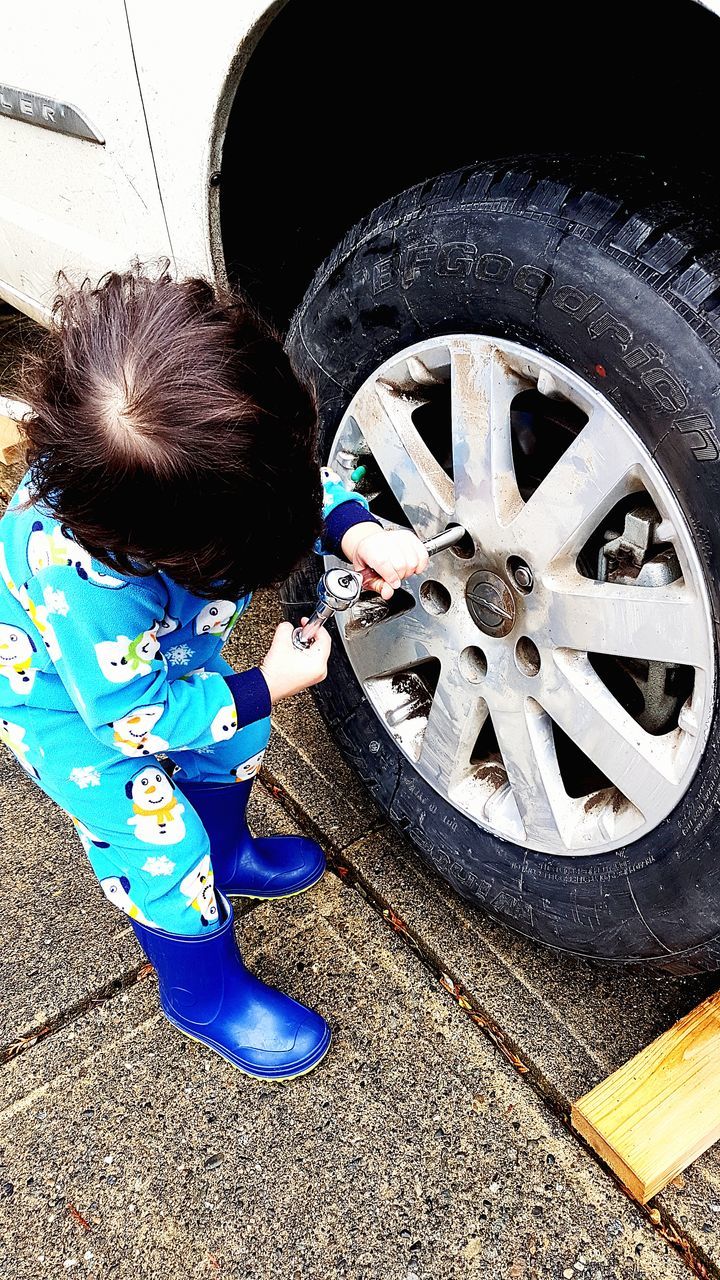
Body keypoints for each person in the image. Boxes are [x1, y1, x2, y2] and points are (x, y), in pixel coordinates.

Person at [0, 269, 429, 1080]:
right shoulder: (82, 581)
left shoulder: (209, 474)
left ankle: (228, 854)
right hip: (74, 710)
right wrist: (263, 682)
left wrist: (354, 531)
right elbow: (134, 720)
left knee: (240, 735)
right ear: (164, 551)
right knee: (160, 844)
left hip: (155, 671)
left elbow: (292, 487)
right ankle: (202, 994)